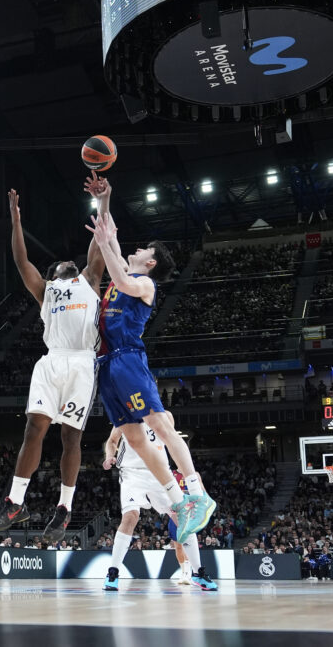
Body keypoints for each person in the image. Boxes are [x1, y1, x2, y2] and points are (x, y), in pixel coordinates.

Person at [0, 177, 110, 545]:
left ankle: (64, 507)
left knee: (70, 437)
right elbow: (20, 260)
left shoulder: (90, 279)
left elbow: (99, 242)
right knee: (33, 428)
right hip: (52, 362)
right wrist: (15, 220)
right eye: (60, 264)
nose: (68, 263)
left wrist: (103, 202)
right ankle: (15, 502)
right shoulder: (46, 290)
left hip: (81, 364)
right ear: (54, 274)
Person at [85, 212, 215, 541]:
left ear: (152, 262)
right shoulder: (124, 273)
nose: (137, 248)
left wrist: (106, 244)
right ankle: (178, 500)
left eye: (144, 248)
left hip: (128, 359)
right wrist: (104, 199)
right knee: (135, 438)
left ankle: (197, 492)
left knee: (159, 424)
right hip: (106, 366)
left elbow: (121, 272)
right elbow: (111, 239)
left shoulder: (144, 284)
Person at [100, 425, 216, 591]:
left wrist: (184, 469)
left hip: (160, 472)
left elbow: (174, 444)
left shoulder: (163, 415)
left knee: (183, 517)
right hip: (132, 473)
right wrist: (110, 456)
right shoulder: (124, 414)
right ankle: (113, 573)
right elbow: (112, 440)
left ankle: (198, 572)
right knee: (131, 516)